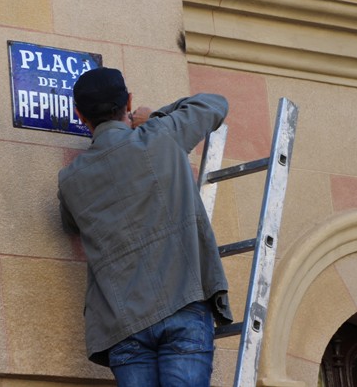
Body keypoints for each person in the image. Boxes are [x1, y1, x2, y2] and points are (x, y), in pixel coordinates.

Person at [57, 67, 233, 387]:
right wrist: (153, 117)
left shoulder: (70, 179)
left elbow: (69, 223)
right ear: (128, 101)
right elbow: (215, 104)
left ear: (80, 115)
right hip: (182, 304)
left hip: (123, 324)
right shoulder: (161, 135)